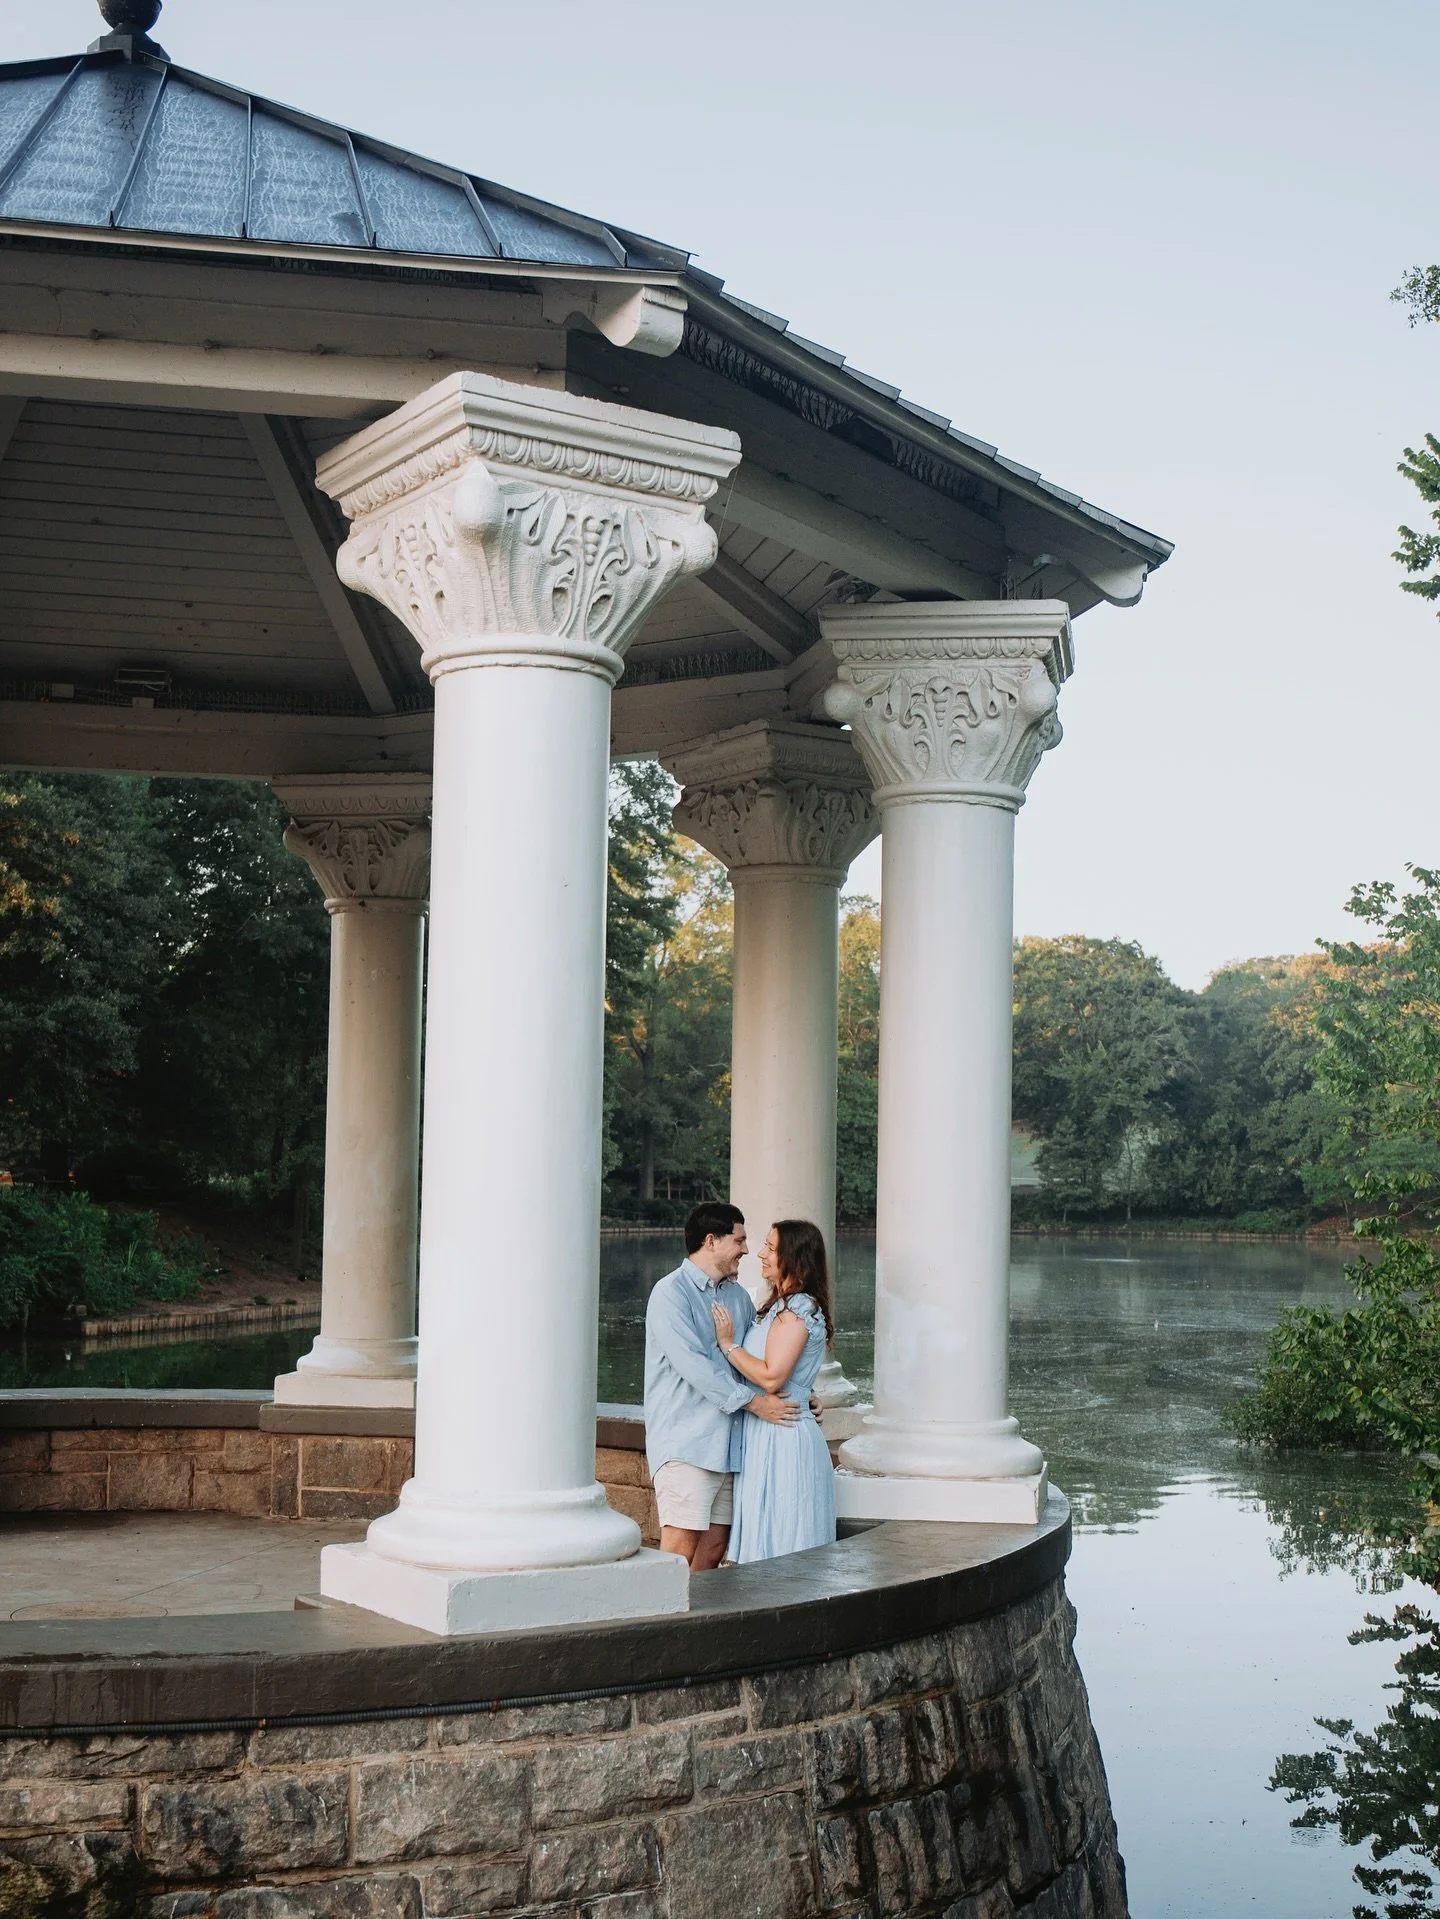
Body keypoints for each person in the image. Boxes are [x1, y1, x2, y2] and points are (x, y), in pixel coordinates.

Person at [644, 1201, 799, 1569]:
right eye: (739, 1240)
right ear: (711, 1241)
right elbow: (694, 1367)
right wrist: (756, 1404)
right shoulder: (670, 1293)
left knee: (714, 1548)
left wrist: (804, 1396)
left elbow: (756, 1360)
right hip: (687, 1443)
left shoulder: (738, 1297)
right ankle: (659, 1609)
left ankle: (694, 1610)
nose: (746, 1250)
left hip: (731, 1448)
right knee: (679, 1549)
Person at [712, 1218, 837, 1563]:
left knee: (784, 1534)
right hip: (765, 1432)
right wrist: (806, 1392)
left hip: (783, 1436)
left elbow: (771, 1378)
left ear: (793, 1257)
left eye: (770, 1247)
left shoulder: (798, 1309)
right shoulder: (777, 1307)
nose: (761, 1254)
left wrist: (728, 1345)